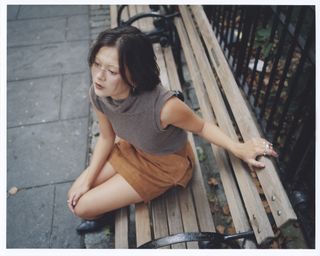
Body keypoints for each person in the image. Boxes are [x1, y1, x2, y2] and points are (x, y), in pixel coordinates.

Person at [67, 25, 278, 233]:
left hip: (163, 166)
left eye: (111, 71)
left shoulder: (164, 108)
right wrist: (88, 181)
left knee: (82, 207)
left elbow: (202, 127)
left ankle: (107, 207)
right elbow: (106, 138)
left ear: (134, 75)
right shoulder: (99, 93)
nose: (98, 76)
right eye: (96, 64)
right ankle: (108, 206)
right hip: (132, 149)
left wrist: (238, 147)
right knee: (75, 195)